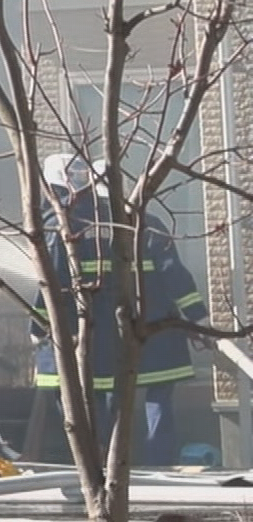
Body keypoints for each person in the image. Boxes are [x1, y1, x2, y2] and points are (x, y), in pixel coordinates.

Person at [30, 152, 209, 468]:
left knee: (98, 408)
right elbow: (175, 275)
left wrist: (39, 329)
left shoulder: (67, 228)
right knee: (155, 404)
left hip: (100, 338)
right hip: (155, 335)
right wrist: (198, 320)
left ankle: (108, 469)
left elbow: (53, 286)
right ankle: (156, 464)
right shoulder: (146, 223)